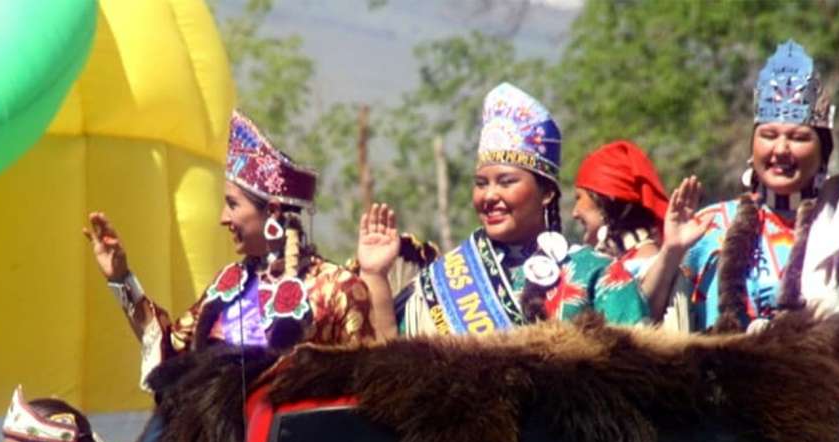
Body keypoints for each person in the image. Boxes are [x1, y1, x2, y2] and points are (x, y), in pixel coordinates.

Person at [645, 40, 839, 391]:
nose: (781, 149)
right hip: (724, 427)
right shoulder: (707, 231)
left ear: (823, 151)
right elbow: (639, 326)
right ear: (753, 145)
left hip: (831, 424)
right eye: (768, 135)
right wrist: (671, 251)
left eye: (798, 137)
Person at [85, 110, 374, 387]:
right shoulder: (229, 284)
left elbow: (364, 390)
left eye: (233, 204)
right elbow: (171, 352)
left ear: (272, 211)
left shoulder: (339, 290)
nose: (223, 218)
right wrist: (121, 278)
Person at [357, 83, 650, 338]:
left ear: (546, 193)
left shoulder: (595, 273)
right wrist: (375, 275)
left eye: (507, 182)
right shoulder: (445, 280)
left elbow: (635, 375)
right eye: (481, 183)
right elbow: (394, 367)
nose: (490, 195)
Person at [571, 140, 675, 327]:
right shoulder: (624, 261)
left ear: (606, 199)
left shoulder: (646, 264)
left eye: (579, 198)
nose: (575, 212)